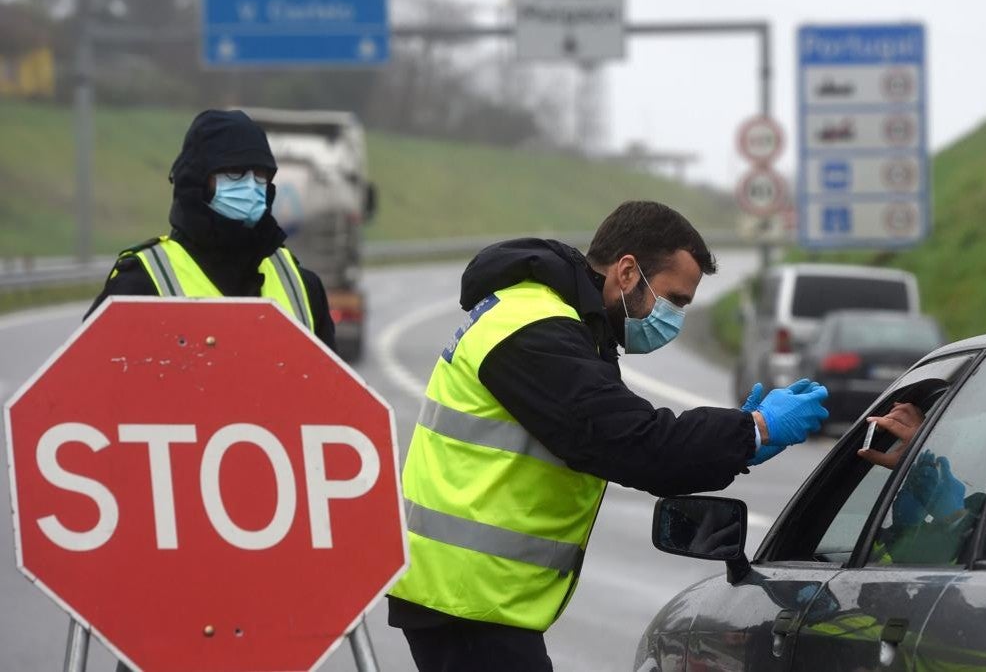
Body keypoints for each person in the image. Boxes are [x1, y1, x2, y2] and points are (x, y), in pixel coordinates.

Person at [386, 201, 828, 671]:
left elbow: (623, 431)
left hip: (473, 597)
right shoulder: (532, 328)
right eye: (673, 300)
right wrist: (753, 431)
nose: (674, 319)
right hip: (465, 598)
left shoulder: (566, 326)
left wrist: (738, 437)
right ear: (627, 271)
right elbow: (634, 443)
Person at [85, 109, 335, 350]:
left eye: (260, 174)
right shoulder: (139, 286)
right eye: (235, 173)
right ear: (197, 180)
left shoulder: (303, 286)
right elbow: (89, 384)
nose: (251, 187)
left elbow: (331, 389)